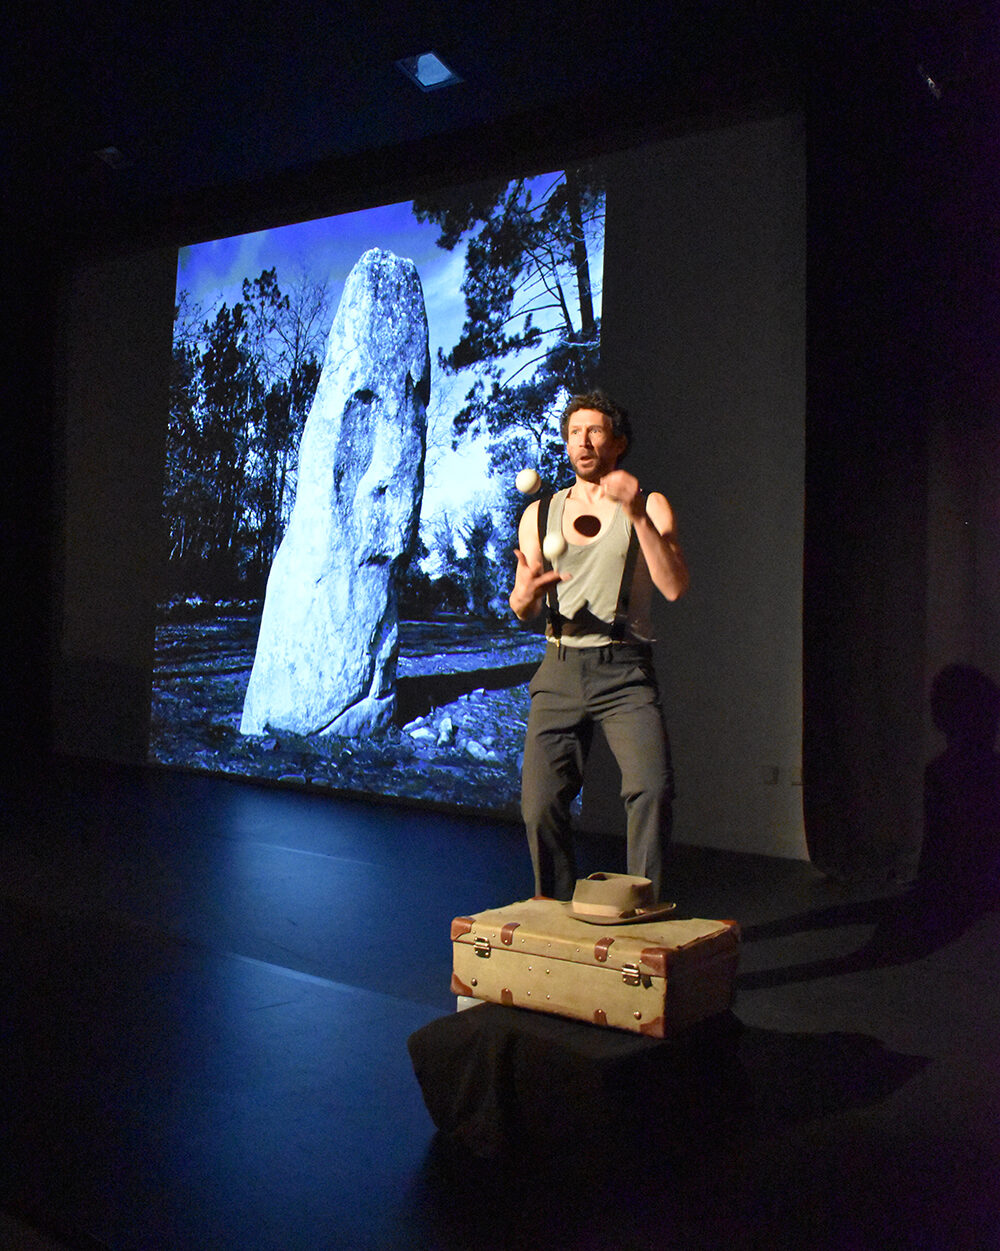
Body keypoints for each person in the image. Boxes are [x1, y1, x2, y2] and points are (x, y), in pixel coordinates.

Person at [509, 390, 689, 900]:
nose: (582, 441)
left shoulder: (649, 504)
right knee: (540, 805)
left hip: (624, 671)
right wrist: (524, 594)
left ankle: (641, 912)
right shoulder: (539, 513)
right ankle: (553, 910)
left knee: (651, 790)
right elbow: (522, 607)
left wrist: (634, 513)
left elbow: (674, 586)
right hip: (560, 667)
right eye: (572, 432)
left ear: (618, 442)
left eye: (594, 431)